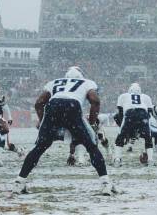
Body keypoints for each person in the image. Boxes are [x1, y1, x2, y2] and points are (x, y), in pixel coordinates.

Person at [12, 66, 116, 195]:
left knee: (39, 147)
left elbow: (39, 103)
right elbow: (95, 101)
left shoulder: (54, 82)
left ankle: (19, 182)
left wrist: (44, 121)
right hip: (72, 107)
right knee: (91, 147)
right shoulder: (87, 82)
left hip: (53, 107)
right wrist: (92, 122)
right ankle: (106, 183)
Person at [114, 83, 154, 166]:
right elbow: (149, 113)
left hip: (129, 113)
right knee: (148, 138)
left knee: (120, 138)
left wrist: (126, 130)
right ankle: (150, 160)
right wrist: (140, 128)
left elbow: (120, 113)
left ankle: (117, 159)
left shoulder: (123, 96)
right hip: (143, 113)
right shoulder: (146, 97)